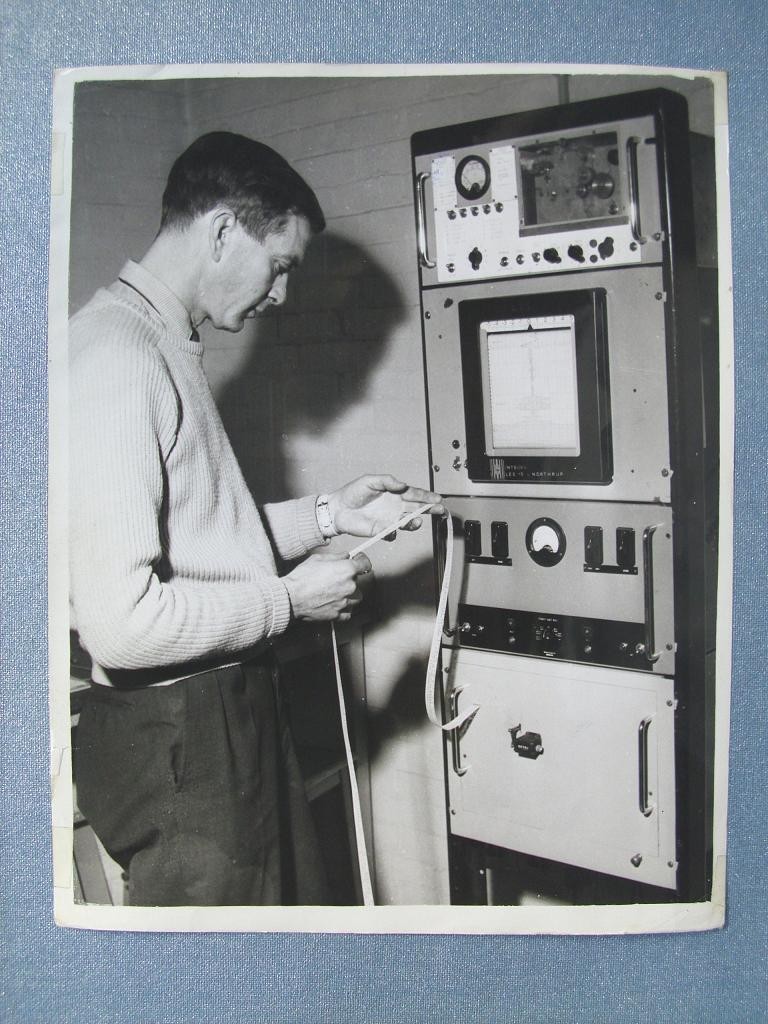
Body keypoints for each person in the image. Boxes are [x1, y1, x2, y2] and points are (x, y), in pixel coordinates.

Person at [69, 131, 442, 907]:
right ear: (221, 232)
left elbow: (199, 540)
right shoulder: (119, 358)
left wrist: (330, 514)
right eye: (280, 265)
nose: (281, 295)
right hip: (180, 738)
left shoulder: (160, 342)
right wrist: (290, 601)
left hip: (211, 726)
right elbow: (122, 625)